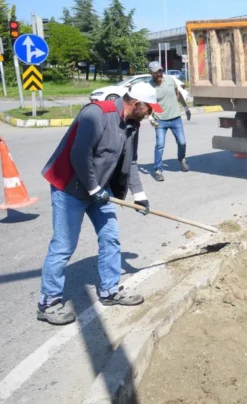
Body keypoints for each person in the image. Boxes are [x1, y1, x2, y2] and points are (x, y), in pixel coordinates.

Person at [37, 83, 163, 326]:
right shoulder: (96, 114)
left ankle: (109, 291)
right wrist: (93, 188)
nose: (150, 114)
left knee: (110, 237)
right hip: (70, 187)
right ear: (136, 103)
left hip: (99, 188)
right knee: (63, 245)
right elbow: (79, 154)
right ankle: (48, 302)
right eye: (148, 108)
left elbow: (131, 162)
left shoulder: (132, 125)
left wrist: (139, 194)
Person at [149, 61, 191, 182]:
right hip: (160, 121)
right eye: (156, 72)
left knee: (182, 142)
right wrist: (152, 117)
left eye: (161, 71)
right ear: (151, 72)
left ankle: (182, 159)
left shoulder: (170, 80)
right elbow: (151, 103)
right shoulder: (150, 86)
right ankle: (158, 170)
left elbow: (178, 95)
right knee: (160, 145)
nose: (159, 73)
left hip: (175, 118)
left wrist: (186, 108)